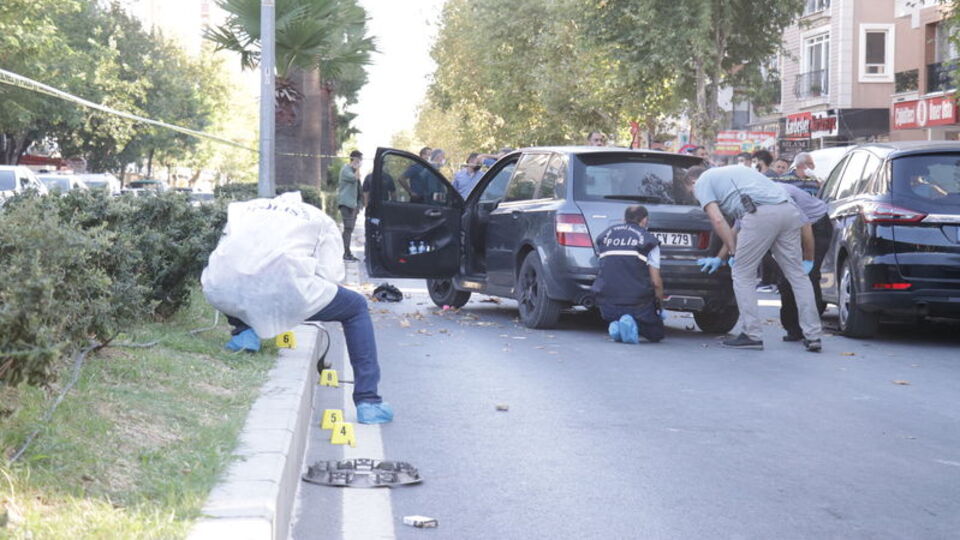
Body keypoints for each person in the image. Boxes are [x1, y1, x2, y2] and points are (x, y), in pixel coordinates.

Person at [211, 196, 393, 424]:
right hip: (282, 290)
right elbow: (332, 276)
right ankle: (369, 401)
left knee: (242, 277)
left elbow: (225, 252)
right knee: (356, 307)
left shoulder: (246, 208)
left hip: (219, 286)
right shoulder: (319, 220)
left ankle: (244, 332)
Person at [684, 165, 822, 352]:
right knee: (798, 275)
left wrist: (733, 252)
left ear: (692, 182)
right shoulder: (736, 172)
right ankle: (813, 335)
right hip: (788, 210)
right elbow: (739, 224)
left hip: (760, 214)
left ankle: (752, 334)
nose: (695, 196)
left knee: (742, 273)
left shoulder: (702, 181)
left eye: (691, 192)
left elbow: (718, 220)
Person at [591, 205, 666, 344]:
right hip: (638, 305)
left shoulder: (604, 236)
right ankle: (630, 322)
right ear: (645, 220)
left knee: (618, 315)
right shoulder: (649, 241)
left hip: (607, 305)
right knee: (657, 334)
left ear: (623, 219)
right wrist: (660, 306)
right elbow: (656, 282)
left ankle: (616, 325)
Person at [774, 183, 832, 342]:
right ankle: (793, 327)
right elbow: (739, 224)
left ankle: (810, 329)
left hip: (816, 224)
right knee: (785, 279)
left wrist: (808, 259)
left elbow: (805, 226)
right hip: (791, 226)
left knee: (808, 276)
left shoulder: (781, 195)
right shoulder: (753, 196)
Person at [337, 150, 363, 261]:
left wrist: (359, 204)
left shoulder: (352, 170)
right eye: (359, 160)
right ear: (354, 159)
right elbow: (354, 178)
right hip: (346, 204)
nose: (361, 162)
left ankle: (347, 252)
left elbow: (358, 188)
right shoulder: (346, 170)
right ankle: (345, 253)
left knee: (350, 229)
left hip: (353, 205)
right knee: (348, 229)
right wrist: (357, 167)